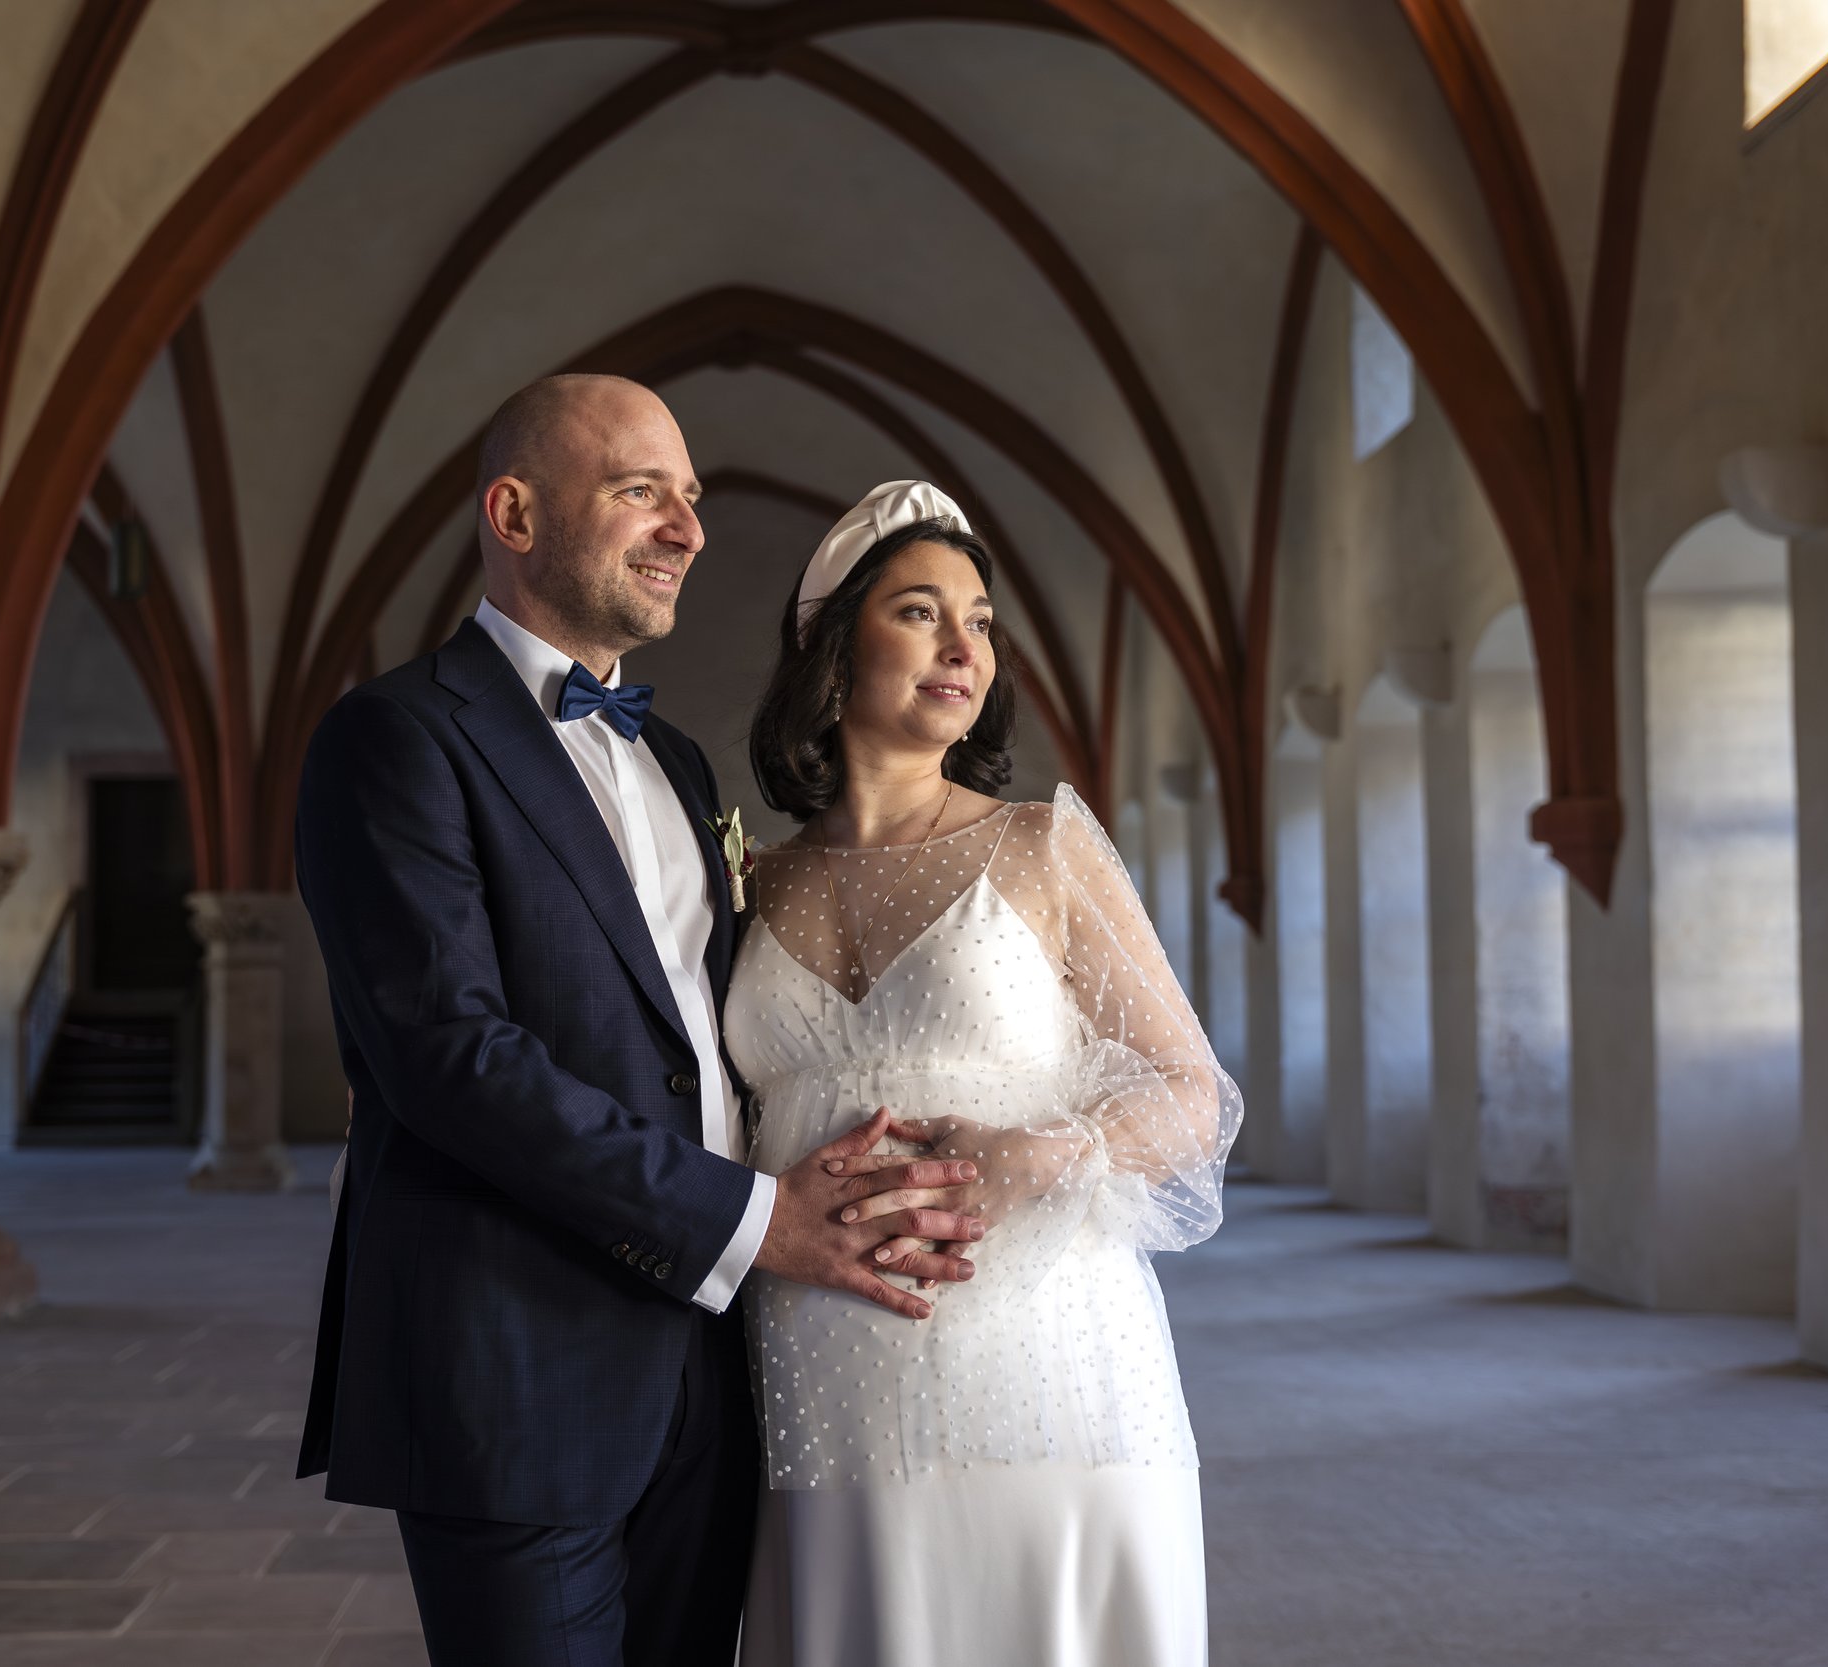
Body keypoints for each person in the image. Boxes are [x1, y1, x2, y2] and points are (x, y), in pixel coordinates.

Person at [291, 380, 990, 1666]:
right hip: (514, 1367)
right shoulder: (394, 738)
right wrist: (757, 1216)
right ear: (514, 514)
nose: (686, 528)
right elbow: (452, 1058)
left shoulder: (676, 760)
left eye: (690, 498)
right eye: (639, 492)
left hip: (710, 1372)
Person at [731, 481, 1242, 1665]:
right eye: (920, 612)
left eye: (981, 620)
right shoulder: (754, 880)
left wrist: (1044, 1153)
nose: (964, 647)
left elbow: (1191, 1090)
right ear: (830, 649)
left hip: (1045, 1362)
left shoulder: (1042, 845)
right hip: (815, 1376)